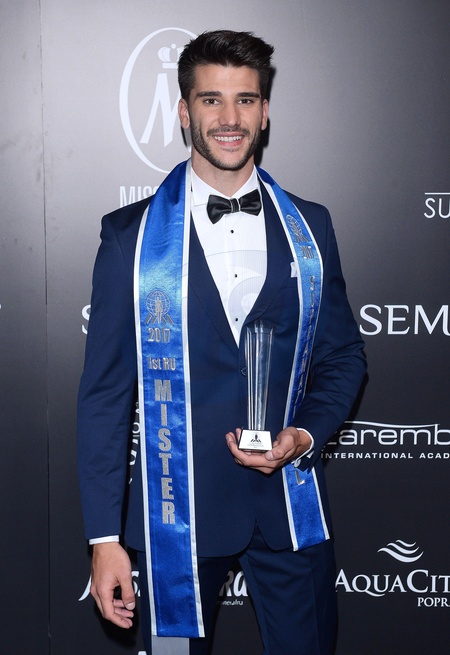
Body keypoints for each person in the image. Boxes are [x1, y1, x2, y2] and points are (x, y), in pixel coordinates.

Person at [77, 30, 366, 655]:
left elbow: (343, 357)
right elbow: (104, 397)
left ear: (265, 112)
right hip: (174, 519)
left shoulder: (311, 227)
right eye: (212, 100)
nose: (230, 118)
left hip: (288, 511)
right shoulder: (129, 239)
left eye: (245, 100)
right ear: (184, 112)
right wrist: (104, 539)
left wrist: (304, 436)